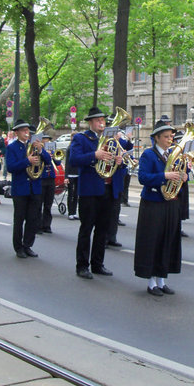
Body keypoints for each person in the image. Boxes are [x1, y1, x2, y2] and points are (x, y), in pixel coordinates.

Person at [70, 106, 125, 279]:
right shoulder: (81, 138)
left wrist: (118, 160)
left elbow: (116, 164)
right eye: (98, 120)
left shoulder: (111, 140)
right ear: (90, 123)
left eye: (103, 120)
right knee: (87, 229)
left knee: (103, 229)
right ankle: (82, 266)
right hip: (90, 190)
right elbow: (74, 159)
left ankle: (98, 264)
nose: (102, 122)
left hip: (108, 189)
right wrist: (95, 154)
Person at [134, 119, 185, 296]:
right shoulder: (148, 154)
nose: (170, 139)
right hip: (153, 203)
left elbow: (176, 175)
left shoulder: (174, 154)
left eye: (171, 136)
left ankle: (162, 280)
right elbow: (143, 177)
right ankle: (151, 282)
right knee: (152, 241)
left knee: (167, 240)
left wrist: (182, 176)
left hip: (170, 203)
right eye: (166, 136)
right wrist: (164, 175)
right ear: (156, 138)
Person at [6, 120, 51, 258]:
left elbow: (48, 161)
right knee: (19, 219)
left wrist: (41, 150)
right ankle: (18, 247)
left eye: (27, 130)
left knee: (33, 219)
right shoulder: (12, 147)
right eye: (23, 130)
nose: (27, 133)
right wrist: (28, 161)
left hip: (35, 187)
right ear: (17, 133)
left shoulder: (35, 146)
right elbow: (11, 167)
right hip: (20, 188)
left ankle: (28, 245)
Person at [39, 134, 61, 234]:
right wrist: (45, 154)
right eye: (45, 140)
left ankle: (46, 225)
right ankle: (37, 225)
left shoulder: (52, 151)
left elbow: (58, 163)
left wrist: (55, 157)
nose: (46, 141)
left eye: (48, 140)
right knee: (39, 203)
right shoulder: (38, 151)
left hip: (51, 178)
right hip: (42, 178)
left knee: (48, 203)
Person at [65, 132, 79, 220]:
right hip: (70, 173)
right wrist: (66, 177)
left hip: (78, 173)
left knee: (76, 194)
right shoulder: (69, 148)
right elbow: (66, 163)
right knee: (71, 194)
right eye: (73, 137)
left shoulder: (78, 148)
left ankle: (74, 212)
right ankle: (70, 212)